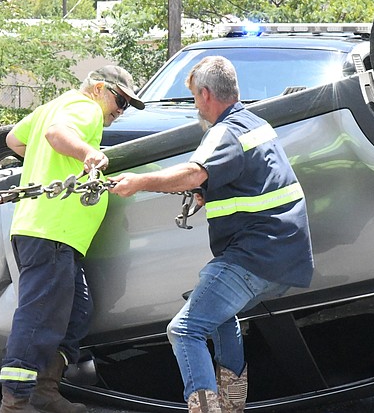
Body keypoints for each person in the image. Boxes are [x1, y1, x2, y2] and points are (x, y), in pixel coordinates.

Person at [109, 56, 314, 413]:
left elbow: (193, 173)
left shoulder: (225, 131)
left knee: (184, 329)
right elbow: (252, 178)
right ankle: (231, 403)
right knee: (218, 315)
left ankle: (206, 407)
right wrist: (211, 192)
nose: (195, 108)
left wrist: (139, 181)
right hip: (285, 257)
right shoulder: (255, 124)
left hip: (254, 254)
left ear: (205, 94)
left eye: (193, 99)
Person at [0, 65, 144, 413]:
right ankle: (14, 403)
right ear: (98, 88)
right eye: (120, 101)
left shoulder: (55, 105)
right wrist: (87, 153)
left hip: (50, 232)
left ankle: (45, 391)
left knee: (77, 312)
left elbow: (15, 140)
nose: (120, 112)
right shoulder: (86, 107)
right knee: (39, 317)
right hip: (51, 231)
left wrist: (49, 162)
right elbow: (56, 135)